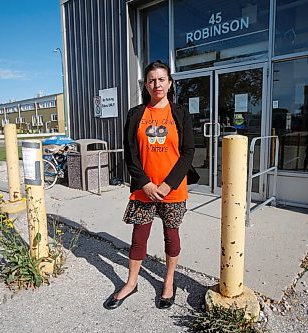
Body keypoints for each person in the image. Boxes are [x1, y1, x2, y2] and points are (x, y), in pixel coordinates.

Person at [104, 61, 195, 310]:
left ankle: (168, 282)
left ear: (170, 83)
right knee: (138, 238)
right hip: (144, 190)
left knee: (171, 236)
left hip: (173, 191)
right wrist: (144, 183)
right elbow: (131, 153)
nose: (157, 84)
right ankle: (131, 282)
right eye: (152, 80)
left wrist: (167, 185)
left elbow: (188, 152)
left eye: (161, 79)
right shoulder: (136, 114)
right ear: (146, 84)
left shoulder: (181, 113)